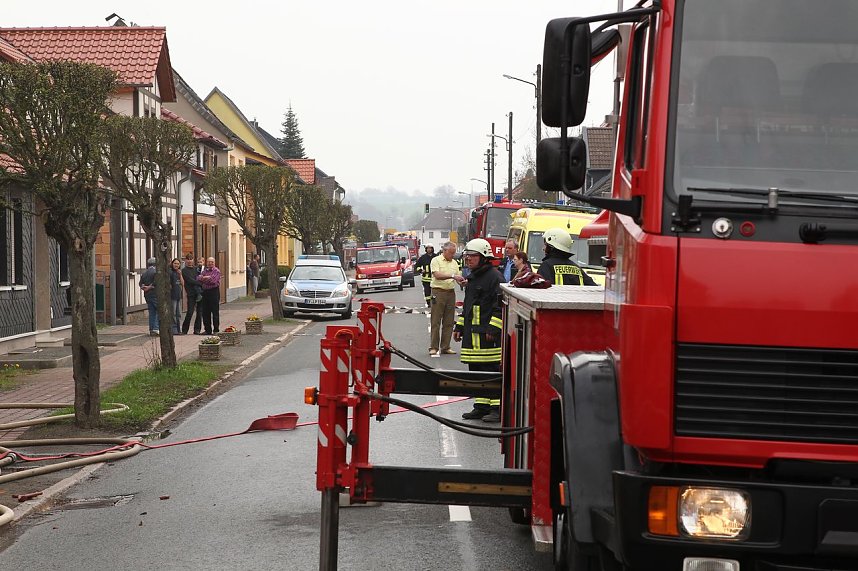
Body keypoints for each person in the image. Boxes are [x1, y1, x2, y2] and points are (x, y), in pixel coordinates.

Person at [455, 238, 503, 422]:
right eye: (466, 256)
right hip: (472, 336)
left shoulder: (495, 278)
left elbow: (500, 307)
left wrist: (493, 328)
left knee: (490, 371)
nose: (468, 259)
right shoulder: (473, 277)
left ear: (484, 257)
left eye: (472, 256)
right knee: (475, 372)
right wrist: (459, 326)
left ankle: (496, 408)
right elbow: (468, 306)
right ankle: (481, 406)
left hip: (487, 336)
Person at [428, 242, 463, 357]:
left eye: (454, 253)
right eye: (451, 253)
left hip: (450, 293)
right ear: (445, 251)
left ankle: (445, 346)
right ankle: (433, 347)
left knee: (449, 321)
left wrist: (463, 282)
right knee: (436, 321)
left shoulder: (454, 263)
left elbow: (458, 277)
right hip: (438, 292)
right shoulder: (436, 260)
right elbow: (437, 275)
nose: (453, 255)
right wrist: (453, 276)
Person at [198, 257, 222, 335]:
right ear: (206, 263)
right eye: (208, 262)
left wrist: (204, 279)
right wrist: (206, 278)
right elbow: (198, 278)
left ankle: (216, 330)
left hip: (214, 292)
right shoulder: (205, 270)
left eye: (212, 262)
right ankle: (207, 330)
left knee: (215, 312)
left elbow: (213, 281)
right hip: (205, 292)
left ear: (214, 262)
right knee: (205, 312)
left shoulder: (217, 271)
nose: (210, 263)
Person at [181, 254, 203, 335]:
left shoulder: (197, 269)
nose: (190, 260)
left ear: (193, 260)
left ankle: (197, 330)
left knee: (199, 312)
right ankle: (184, 329)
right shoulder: (184, 270)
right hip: (191, 293)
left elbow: (201, 276)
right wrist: (200, 283)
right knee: (190, 312)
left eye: (191, 259)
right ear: (186, 260)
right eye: (188, 259)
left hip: (200, 293)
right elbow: (190, 281)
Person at [138, 257, 159, 336]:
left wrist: (144, 287)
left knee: (152, 312)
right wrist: (150, 287)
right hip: (154, 294)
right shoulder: (155, 272)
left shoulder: (145, 273)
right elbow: (156, 282)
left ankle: (151, 329)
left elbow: (140, 283)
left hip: (147, 295)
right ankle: (156, 328)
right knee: (159, 310)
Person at [169, 258, 184, 334]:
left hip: (178, 296)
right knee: (173, 313)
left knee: (179, 314)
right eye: (175, 263)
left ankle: (179, 329)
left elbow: (182, 284)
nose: (176, 265)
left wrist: (180, 274)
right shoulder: (170, 272)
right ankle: (174, 330)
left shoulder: (178, 273)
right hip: (172, 296)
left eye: (178, 264)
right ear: (172, 264)